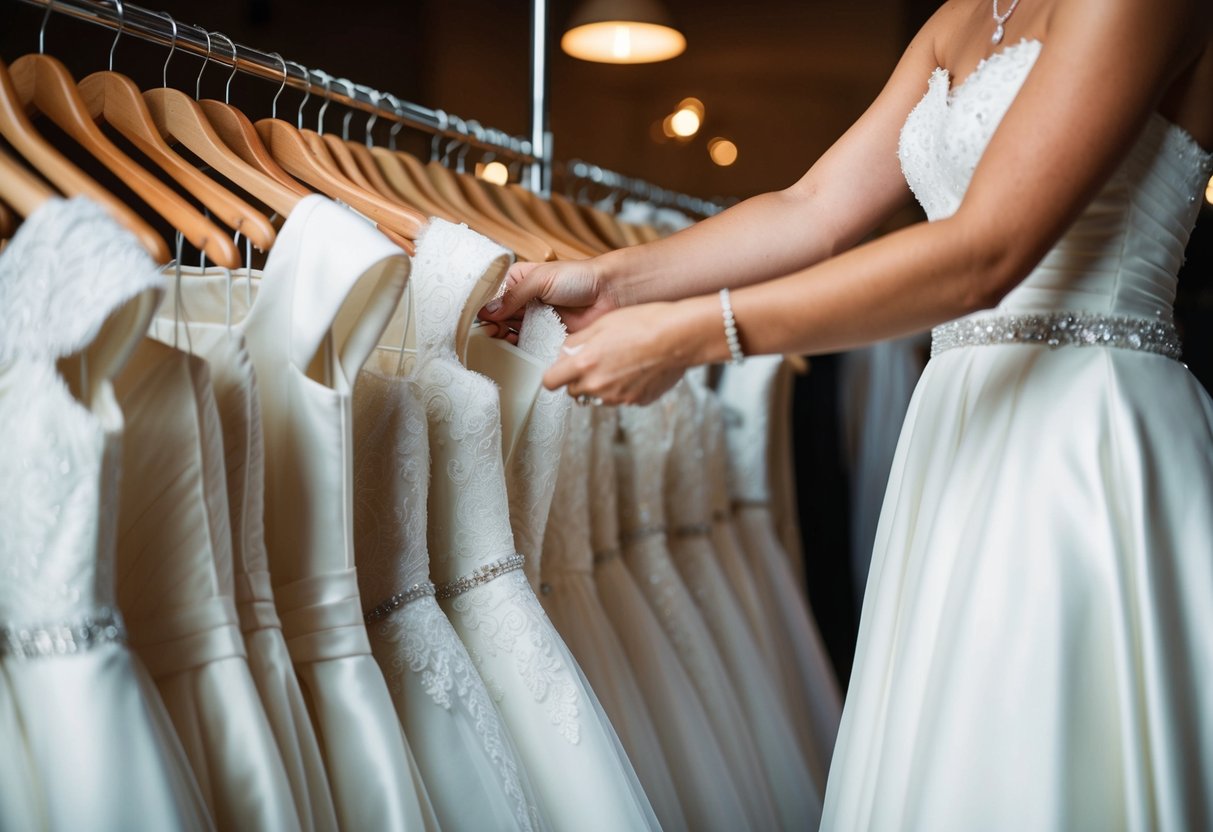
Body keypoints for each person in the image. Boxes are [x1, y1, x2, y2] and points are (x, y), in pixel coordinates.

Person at [481, 0, 1213, 828]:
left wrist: (697, 335)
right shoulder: (961, 16)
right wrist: (609, 280)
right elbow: (813, 206)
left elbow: (986, 253)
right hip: (955, 436)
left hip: (1084, 436)